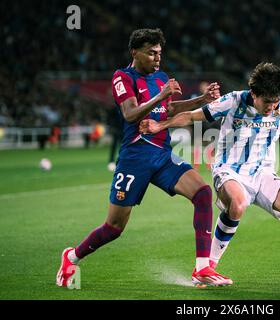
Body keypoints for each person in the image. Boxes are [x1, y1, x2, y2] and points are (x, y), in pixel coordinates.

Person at [56, 28, 232, 288]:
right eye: (151, 53)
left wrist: (201, 100)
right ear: (135, 53)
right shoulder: (122, 77)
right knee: (114, 227)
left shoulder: (160, 77)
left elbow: (169, 108)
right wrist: (160, 95)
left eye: (159, 53)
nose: (157, 58)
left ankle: (202, 267)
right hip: (135, 157)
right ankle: (71, 256)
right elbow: (129, 114)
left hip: (162, 155)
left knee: (203, 193)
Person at [139, 62, 280, 285]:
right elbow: (191, 117)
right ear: (254, 94)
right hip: (228, 170)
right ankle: (206, 269)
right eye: (267, 102)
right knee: (238, 202)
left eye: (275, 102)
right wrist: (160, 126)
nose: (271, 108)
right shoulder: (233, 101)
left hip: (262, 173)